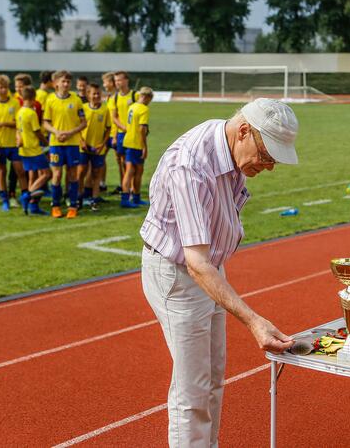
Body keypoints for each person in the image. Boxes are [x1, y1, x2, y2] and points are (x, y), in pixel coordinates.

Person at [140, 98, 298, 447]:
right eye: (268, 154)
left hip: (207, 268)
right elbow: (195, 264)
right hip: (179, 274)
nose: (269, 166)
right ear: (244, 131)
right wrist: (254, 321)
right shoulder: (190, 166)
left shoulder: (229, 145)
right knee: (191, 391)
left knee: (211, 378)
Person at [42, 70, 87, 219]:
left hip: (73, 143)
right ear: (56, 83)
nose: (66, 84)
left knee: (72, 174)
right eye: (63, 81)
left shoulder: (76, 100)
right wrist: (56, 132)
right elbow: (45, 122)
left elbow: (83, 123)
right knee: (57, 174)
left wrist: (69, 133)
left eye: (68, 81)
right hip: (56, 142)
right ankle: (55, 205)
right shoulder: (50, 99)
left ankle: (72, 206)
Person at [0, 74, 26, 212]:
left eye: (5, 87)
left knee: (20, 170)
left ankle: (25, 197)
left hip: (13, 144)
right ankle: (5, 199)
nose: (3, 90)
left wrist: (3, 123)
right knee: (1, 171)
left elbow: (18, 123)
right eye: (0, 87)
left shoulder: (14, 102)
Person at [16, 86, 50, 215]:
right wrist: (47, 143)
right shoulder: (31, 113)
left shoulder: (20, 112)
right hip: (34, 149)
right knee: (47, 174)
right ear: (33, 98)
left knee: (34, 176)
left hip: (24, 150)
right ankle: (27, 196)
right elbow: (37, 132)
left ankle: (33, 206)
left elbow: (18, 130)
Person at [79, 83, 111, 211]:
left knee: (96, 174)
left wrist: (102, 144)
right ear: (88, 95)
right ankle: (79, 198)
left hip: (98, 148)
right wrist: (81, 141)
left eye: (98, 93)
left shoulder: (105, 109)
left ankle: (94, 199)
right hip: (83, 147)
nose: (96, 96)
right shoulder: (83, 108)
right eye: (94, 93)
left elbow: (108, 129)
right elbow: (77, 127)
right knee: (80, 173)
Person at [120, 86, 153, 208]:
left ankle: (130, 197)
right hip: (136, 143)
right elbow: (142, 129)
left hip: (127, 141)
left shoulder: (132, 107)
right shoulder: (143, 109)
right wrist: (144, 147)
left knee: (130, 170)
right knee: (136, 171)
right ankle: (133, 198)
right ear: (147, 97)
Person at [108, 71, 138, 195]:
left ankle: (132, 188)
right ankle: (125, 187)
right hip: (121, 134)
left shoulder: (135, 96)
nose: (117, 83)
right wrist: (124, 128)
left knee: (133, 163)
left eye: (119, 80)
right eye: (116, 81)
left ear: (126, 81)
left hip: (134, 135)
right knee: (122, 161)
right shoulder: (114, 98)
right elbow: (114, 117)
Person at [99, 71, 117, 194]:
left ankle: (125, 187)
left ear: (111, 83)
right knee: (101, 157)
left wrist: (116, 135)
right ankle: (102, 183)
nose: (104, 85)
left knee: (121, 161)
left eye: (105, 82)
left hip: (116, 134)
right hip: (107, 133)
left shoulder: (117, 96)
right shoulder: (110, 96)